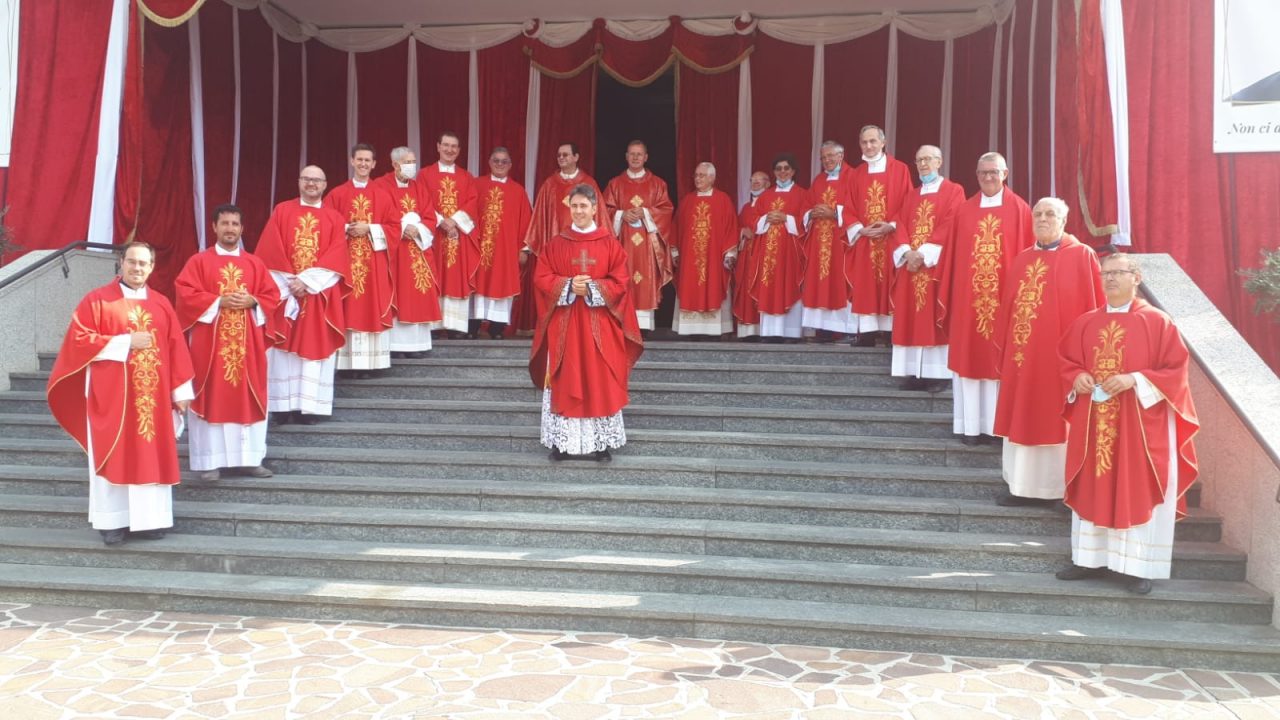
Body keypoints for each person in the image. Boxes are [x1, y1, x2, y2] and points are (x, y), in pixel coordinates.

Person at [1056, 253, 1200, 595]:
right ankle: (1088, 560)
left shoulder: (1158, 321)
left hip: (1139, 426)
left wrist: (1135, 379)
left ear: (1136, 277)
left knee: (1134, 485)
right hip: (1094, 424)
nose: (1109, 279)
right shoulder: (1086, 322)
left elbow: (1176, 370)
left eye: (1117, 273)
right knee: (1094, 484)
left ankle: (1137, 567)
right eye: (1104, 273)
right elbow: (1066, 361)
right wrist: (1077, 377)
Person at [46, 242, 195, 545]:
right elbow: (78, 340)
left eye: (144, 263)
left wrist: (181, 391)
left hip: (153, 399)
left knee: (150, 455)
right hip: (112, 398)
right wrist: (125, 342)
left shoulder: (162, 304)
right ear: (121, 262)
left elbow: (177, 348)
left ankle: (150, 521)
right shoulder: (98, 301)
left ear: (152, 267)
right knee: (114, 454)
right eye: (132, 262)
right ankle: (112, 521)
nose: (137, 268)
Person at [992, 197, 1104, 506]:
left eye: (1050, 214)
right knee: (1022, 414)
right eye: (1037, 214)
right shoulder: (1021, 259)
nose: (1042, 218)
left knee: (1054, 420)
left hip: (1061, 362)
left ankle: (1056, 490)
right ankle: (1020, 487)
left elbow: (1096, 309)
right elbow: (1007, 311)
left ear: (1064, 220)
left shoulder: (1082, 256)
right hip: (1021, 359)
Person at [529, 184, 643, 461]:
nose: (579, 211)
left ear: (594, 209)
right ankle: (562, 443)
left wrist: (592, 288)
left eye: (584, 206)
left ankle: (600, 444)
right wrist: (567, 285)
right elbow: (541, 278)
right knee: (565, 379)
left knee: (598, 380)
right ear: (570, 208)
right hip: (565, 326)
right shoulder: (556, 244)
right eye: (575, 206)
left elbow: (621, 283)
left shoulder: (610, 245)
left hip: (598, 326)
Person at [174, 204, 281, 482]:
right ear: (214, 227)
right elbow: (185, 295)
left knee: (248, 396)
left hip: (248, 349)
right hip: (211, 349)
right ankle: (209, 462)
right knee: (211, 397)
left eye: (235, 224)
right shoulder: (198, 262)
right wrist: (217, 301)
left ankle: (249, 460)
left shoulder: (255, 263)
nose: (230, 228)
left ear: (242, 229)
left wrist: (253, 300)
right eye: (225, 223)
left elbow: (271, 296)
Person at [939, 152, 1035, 445]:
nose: (989, 177)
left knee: (998, 361)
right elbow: (951, 258)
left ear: (1005, 174)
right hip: (968, 303)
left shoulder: (1020, 209)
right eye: (983, 173)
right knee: (969, 360)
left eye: (994, 172)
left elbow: (1029, 257)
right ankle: (969, 427)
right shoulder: (964, 211)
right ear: (976, 175)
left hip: (1004, 302)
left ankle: (997, 428)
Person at [256, 166, 350, 425]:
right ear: (298, 182)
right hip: (285, 293)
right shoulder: (282, 211)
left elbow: (338, 256)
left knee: (313, 349)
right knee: (282, 350)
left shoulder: (335, 218)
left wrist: (307, 282)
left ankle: (309, 407)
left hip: (318, 295)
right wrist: (290, 284)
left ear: (324, 185)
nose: (311, 183)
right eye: (307, 179)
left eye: (316, 180)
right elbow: (269, 251)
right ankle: (281, 407)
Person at [889, 145, 965, 391]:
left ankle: (937, 374)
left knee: (933, 318)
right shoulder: (911, 195)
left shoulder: (954, 191)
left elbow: (952, 223)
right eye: (919, 160)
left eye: (928, 159)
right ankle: (914, 373)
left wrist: (923, 254)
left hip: (935, 267)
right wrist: (906, 252)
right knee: (911, 318)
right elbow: (899, 223)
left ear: (939, 162)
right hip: (911, 268)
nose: (923, 164)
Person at [514, 143, 608, 334]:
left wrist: (605, 243)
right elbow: (539, 217)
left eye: (566, 155)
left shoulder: (589, 184)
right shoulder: (550, 184)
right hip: (557, 250)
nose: (562, 158)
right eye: (559, 155)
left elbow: (601, 218)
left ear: (576, 157)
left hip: (585, 248)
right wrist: (526, 248)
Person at [325, 143, 395, 376]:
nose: (364, 164)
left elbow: (394, 228)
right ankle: (346, 364)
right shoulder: (337, 194)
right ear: (352, 161)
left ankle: (369, 365)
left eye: (368, 160)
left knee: (370, 306)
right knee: (346, 307)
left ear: (374, 164)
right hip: (346, 262)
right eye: (360, 159)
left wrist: (370, 228)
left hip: (373, 264)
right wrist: (347, 228)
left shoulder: (383, 196)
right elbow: (326, 225)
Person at [847, 125, 912, 346]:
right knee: (866, 284)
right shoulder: (856, 174)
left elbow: (908, 202)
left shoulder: (900, 169)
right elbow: (847, 206)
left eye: (873, 141)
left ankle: (891, 331)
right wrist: (859, 228)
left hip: (891, 238)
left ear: (883, 143)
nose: (869, 146)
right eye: (864, 142)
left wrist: (891, 225)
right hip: (866, 240)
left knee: (891, 282)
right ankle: (867, 333)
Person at [375, 145, 441, 357]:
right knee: (397, 292)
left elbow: (430, 216)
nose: (412, 167)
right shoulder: (380, 187)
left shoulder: (419, 187)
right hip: (394, 250)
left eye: (413, 162)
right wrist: (402, 228)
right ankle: (396, 346)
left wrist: (418, 229)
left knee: (419, 292)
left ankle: (417, 345)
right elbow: (378, 215)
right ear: (395, 164)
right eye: (407, 162)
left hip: (418, 248)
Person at [603, 141, 674, 331]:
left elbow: (666, 210)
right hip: (623, 242)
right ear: (626, 157)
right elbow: (603, 211)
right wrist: (621, 214)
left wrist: (646, 213)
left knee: (644, 278)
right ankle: (623, 322)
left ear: (646, 157)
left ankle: (643, 326)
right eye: (632, 154)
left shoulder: (658, 184)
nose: (635, 158)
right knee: (623, 276)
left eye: (639, 154)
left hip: (647, 246)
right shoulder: (615, 184)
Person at [418, 131, 478, 338]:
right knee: (434, 275)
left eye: (454, 146)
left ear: (459, 150)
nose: (449, 150)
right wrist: (442, 221)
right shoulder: (424, 175)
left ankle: (454, 326)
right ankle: (433, 325)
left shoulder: (466, 177)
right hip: (433, 236)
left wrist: (454, 222)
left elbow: (473, 201)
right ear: (438, 147)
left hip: (457, 237)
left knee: (455, 277)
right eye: (446, 145)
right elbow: (421, 201)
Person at [469, 147, 533, 339]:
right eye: (496, 161)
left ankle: (497, 329)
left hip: (505, 251)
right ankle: (473, 327)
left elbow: (526, 222)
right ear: (489, 162)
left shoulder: (518, 191)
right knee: (477, 286)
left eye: (504, 161)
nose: (499, 164)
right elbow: (468, 212)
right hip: (479, 247)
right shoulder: (477, 185)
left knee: (502, 285)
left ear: (510, 165)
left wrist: (524, 249)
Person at [671, 162, 738, 338]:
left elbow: (731, 228)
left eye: (701, 175)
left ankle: (712, 329)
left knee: (713, 284)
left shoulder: (723, 200)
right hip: (689, 259)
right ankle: (690, 329)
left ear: (712, 178)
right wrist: (675, 252)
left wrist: (730, 254)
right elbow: (676, 228)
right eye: (696, 175)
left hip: (714, 258)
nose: (697, 179)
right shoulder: (687, 201)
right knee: (690, 285)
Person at [747, 153, 807, 342]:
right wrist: (766, 218)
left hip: (790, 252)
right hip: (768, 254)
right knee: (769, 286)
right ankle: (770, 332)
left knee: (789, 283)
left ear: (793, 171)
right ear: (773, 172)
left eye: (786, 168)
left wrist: (785, 218)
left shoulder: (802, 194)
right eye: (778, 169)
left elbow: (806, 221)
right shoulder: (766, 195)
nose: (782, 172)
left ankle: (791, 332)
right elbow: (753, 219)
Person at [800, 141, 856, 341]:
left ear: (841, 156)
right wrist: (810, 213)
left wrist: (834, 213)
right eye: (823, 158)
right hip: (819, 241)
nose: (827, 161)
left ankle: (847, 329)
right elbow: (806, 205)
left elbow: (857, 206)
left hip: (841, 240)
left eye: (831, 156)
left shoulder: (853, 176)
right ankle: (822, 329)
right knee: (820, 281)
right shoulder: (818, 180)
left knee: (841, 281)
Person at [733, 171, 771, 340]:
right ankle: (748, 331)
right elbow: (735, 227)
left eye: (759, 180)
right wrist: (742, 231)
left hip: (764, 255)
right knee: (746, 288)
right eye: (752, 180)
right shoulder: (746, 208)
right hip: (747, 256)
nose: (755, 183)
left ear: (768, 184)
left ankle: (765, 329)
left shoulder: (772, 204)